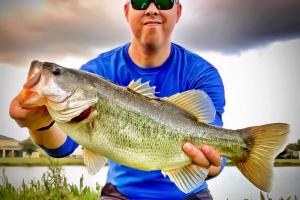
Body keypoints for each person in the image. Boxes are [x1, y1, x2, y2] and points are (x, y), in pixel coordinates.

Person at [9, 0, 226, 199]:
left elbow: (219, 155)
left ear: (178, 11)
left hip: (189, 194)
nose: (152, 9)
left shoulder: (202, 73)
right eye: (140, 2)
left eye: (163, 1)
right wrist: (38, 124)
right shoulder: (97, 71)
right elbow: (63, 147)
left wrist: (210, 165)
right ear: (126, 11)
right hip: (120, 194)